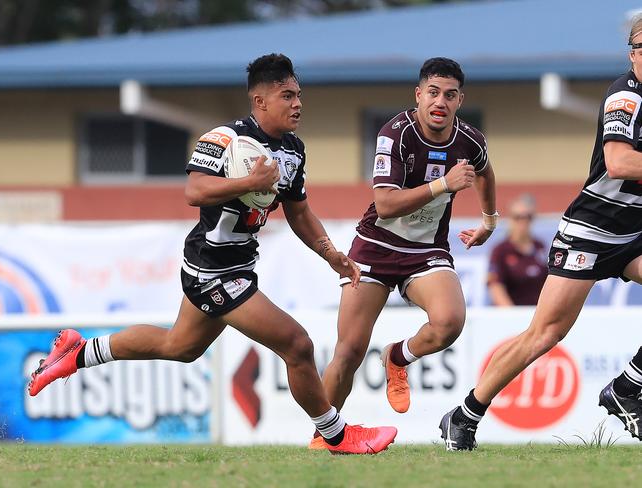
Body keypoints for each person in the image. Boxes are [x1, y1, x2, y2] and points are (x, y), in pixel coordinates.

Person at [28, 53, 397, 455]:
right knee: (298, 345)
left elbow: (299, 211)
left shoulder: (293, 150)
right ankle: (336, 435)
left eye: (299, 95)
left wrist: (331, 254)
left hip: (239, 264)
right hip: (211, 269)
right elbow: (194, 191)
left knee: (180, 347)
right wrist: (248, 180)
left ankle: (78, 353)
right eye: (287, 96)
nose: (298, 104)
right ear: (260, 102)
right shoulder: (224, 138)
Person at [439, 17, 642, 451]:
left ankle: (628, 387)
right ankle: (465, 413)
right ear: (631, 53)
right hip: (593, 230)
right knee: (545, 334)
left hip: (634, 232)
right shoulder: (626, 95)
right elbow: (619, 162)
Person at [311, 57, 498, 449]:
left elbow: (485, 171)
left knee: (450, 321)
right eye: (433, 92)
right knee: (348, 352)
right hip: (376, 247)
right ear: (418, 95)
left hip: (426, 250)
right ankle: (323, 440)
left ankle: (398, 356)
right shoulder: (395, 133)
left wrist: (489, 220)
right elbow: (385, 205)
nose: (440, 102)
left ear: (460, 100)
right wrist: (444, 184)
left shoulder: (470, 140)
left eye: (449, 95)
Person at [486, 194, 547, 306]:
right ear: (510, 219)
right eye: (518, 217)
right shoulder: (501, 250)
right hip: (511, 315)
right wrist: (512, 315)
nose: (523, 222)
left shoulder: (540, 247)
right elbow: (495, 285)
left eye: (528, 217)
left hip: (536, 315)